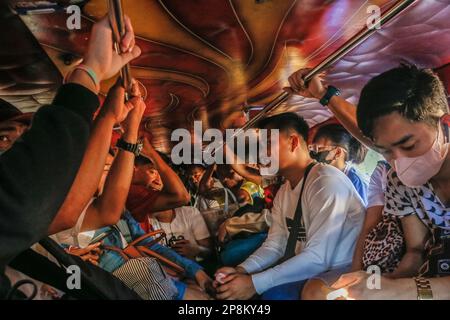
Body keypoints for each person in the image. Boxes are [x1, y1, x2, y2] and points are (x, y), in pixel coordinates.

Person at [0, 14, 140, 296]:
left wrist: (117, 122)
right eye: (3, 136)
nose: (16, 143)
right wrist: (89, 73)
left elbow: (85, 208)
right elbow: (57, 209)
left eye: (24, 135)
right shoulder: (25, 207)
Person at [291, 65, 450, 299]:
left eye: (408, 145)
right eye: (386, 152)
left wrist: (402, 290)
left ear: (443, 121)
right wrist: (375, 285)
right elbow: (415, 251)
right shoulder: (399, 181)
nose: (400, 162)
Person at [214, 112, 365, 300]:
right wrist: (242, 271)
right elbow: (275, 245)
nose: (260, 153)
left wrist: (254, 284)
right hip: (310, 267)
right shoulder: (286, 190)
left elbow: (319, 258)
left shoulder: (325, 182)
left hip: (339, 269)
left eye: (267, 144)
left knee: (273, 296)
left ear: (293, 142)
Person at [126, 140, 191, 232]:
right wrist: (151, 153)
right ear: (133, 168)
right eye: (152, 172)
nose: (158, 180)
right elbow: (182, 197)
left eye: (161, 174)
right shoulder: (133, 192)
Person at [310, 124, 369, 205]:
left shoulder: (356, 181)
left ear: (337, 153)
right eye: (314, 149)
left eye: (320, 149)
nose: (315, 154)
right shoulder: (320, 173)